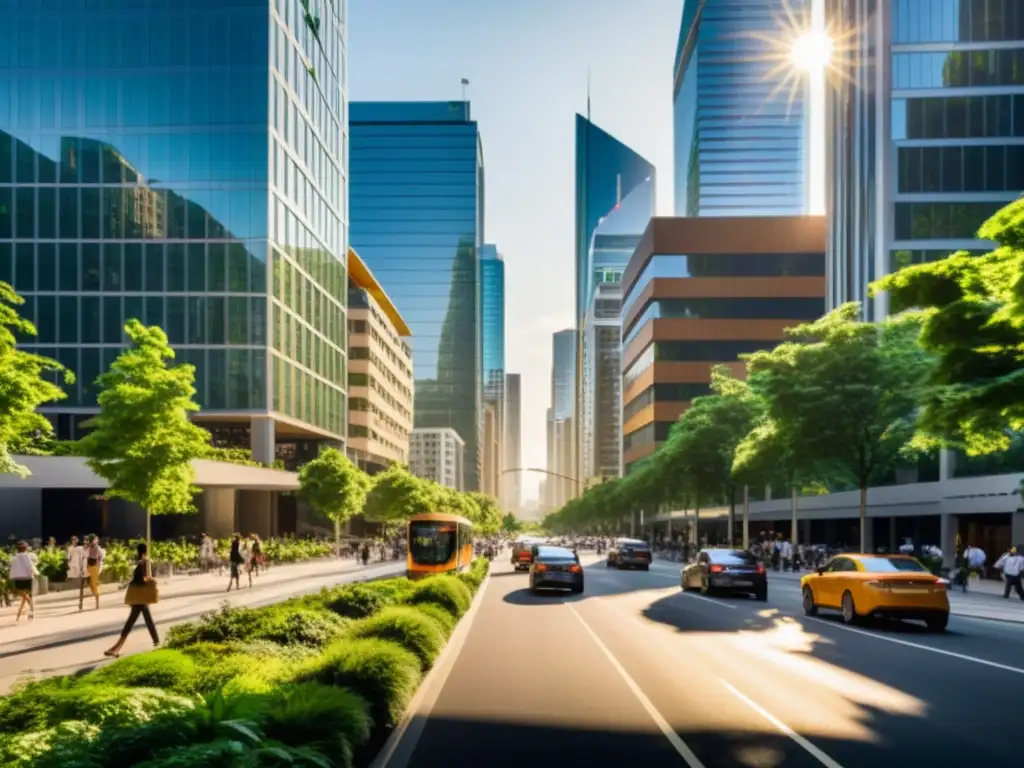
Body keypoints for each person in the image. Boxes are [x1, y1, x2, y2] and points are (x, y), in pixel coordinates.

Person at [104, 542, 159, 657]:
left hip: (139, 596)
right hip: (141, 597)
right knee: (145, 620)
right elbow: (146, 577)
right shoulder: (145, 561)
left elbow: (142, 578)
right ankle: (156, 642)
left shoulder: (141, 562)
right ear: (145, 551)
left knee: (131, 622)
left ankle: (117, 647)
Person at [9, 541, 37, 622]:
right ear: (25, 548)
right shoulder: (27, 556)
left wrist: (11, 577)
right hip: (27, 578)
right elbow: (30, 566)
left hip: (18, 579)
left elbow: (13, 569)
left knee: (24, 595)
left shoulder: (14, 558)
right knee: (28, 596)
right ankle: (31, 611)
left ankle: (24, 613)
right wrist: (35, 573)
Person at [67, 536, 87, 610]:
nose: (74, 541)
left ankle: (80, 603)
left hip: (81, 567)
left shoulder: (80, 548)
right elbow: (68, 557)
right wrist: (69, 565)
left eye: (75, 540)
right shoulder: (70, 548)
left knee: (82, 585)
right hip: (74, 566)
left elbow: (83, 557)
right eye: (73, 540)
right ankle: (80, 602)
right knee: (79, 585)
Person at [85, 535, 104, 609]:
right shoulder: (88, 547)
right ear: (91, 540)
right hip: (88, 566)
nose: (96, 540)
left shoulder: (97, 548)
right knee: (89, 582)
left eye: (96, 539)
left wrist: (99, 562)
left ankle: (97, 603)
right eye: (94, 539)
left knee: (95, 584)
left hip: (95, 566)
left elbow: (101, 557)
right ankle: (95, 595)